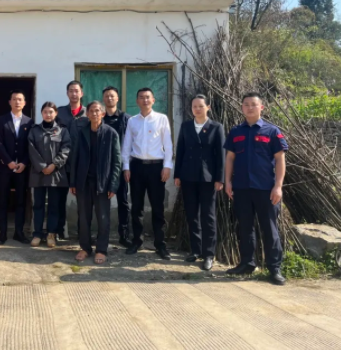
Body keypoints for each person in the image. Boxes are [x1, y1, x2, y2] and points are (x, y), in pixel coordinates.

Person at [224, 92, 288, 286]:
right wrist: (228, 182)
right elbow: (230, 158)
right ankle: (247, 263)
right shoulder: (236, 131)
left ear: (262, 107)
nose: (250, 107)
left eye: (254, 104)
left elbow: (280, 159)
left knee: (269, 228)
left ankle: (274, 268)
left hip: (265, 188)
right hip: (242, 187)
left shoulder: (272, 131)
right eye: (246, 104)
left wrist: (278, 186)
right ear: (242, 107)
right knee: (245, 227)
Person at [174, 94, 225, 271]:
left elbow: (221, 155)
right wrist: (177, 175)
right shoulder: (186, 126)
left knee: (208, 216)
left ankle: (209, 254)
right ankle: (195, 250)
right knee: (192, 215)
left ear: (208, 107)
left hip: (208, 178)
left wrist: (220, 178)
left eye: (201, 106)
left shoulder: (216, 127)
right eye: (194, 106)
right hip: (188, 176)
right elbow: (180, 150)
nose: (197, 109)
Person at [122, 87, 173, 260]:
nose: (145, 100)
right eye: (141, 97)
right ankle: (137, 241)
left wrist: (167, 166)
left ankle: (160, 244)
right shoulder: (132, 121)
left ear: (153, 100)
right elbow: (127, 145)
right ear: (137, 101)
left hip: (156, 167)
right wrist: (126, 167)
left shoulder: (161, 119)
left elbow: (168, 144)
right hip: (136, 166)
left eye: (147, 97)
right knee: (136, 207)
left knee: (158, 207)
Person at [70, 101, 121, 264]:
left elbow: (117, 161)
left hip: (103, 183)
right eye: (91, 111)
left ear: (103, 113)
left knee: (103, 218)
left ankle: (101, 249)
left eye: (97, 111)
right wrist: (73, 182)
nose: (94, 113)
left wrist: (113, 184)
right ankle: (85, 247)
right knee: (84, 217)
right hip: (83, 181)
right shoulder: (82, 133)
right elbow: (74, 158)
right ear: (87, 114)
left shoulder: (111, 133)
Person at [27, 102, 71, 248]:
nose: (48, 114)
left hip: (56, 174)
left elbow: (66, 149)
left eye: (51, 112)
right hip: (38, 174)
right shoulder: (34, 130)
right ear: (42, 113)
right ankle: (37, 234)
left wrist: (54, 165)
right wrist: (42, 166)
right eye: (45, 112)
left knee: (54, 206)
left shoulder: (62, 131)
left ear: (56, 113)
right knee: (38, 205)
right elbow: (31, 150)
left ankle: (51, 234)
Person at [0, 90, 33, 245]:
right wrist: (8, 161)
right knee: (2, 200)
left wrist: (24, 162)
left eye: (20, 99)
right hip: (5, 167)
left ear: (24, 103)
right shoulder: (1, 120)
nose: (17, 102)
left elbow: (31, 145)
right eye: (14, 99)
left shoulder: (29, 122)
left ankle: (19, 232)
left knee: (21, 201)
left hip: (22, 168)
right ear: (9, 102)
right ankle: (2, 233)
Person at [56, 80, 88, 239]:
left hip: (82, 164)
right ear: (67, 93)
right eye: (71, 91)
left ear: (81, 93)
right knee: (59, 200)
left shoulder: (88, 113)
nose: (74, 94)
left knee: (83, 201)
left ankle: (83, 233)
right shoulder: (59, 112)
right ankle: (59, 231)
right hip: (62, 164)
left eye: (76, 91)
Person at [102, 86, 132, 248]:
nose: (109, 98)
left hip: (120, 167)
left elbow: (131, 143)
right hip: (102, 167)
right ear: (103, 99)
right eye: (107, 96)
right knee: (101, 202)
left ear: (118, 98)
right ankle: (102, 235)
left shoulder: (126, 119)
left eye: (112, 96)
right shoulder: (100, 117)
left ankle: (124, 234)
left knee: (123, 201)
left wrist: (127, 166)